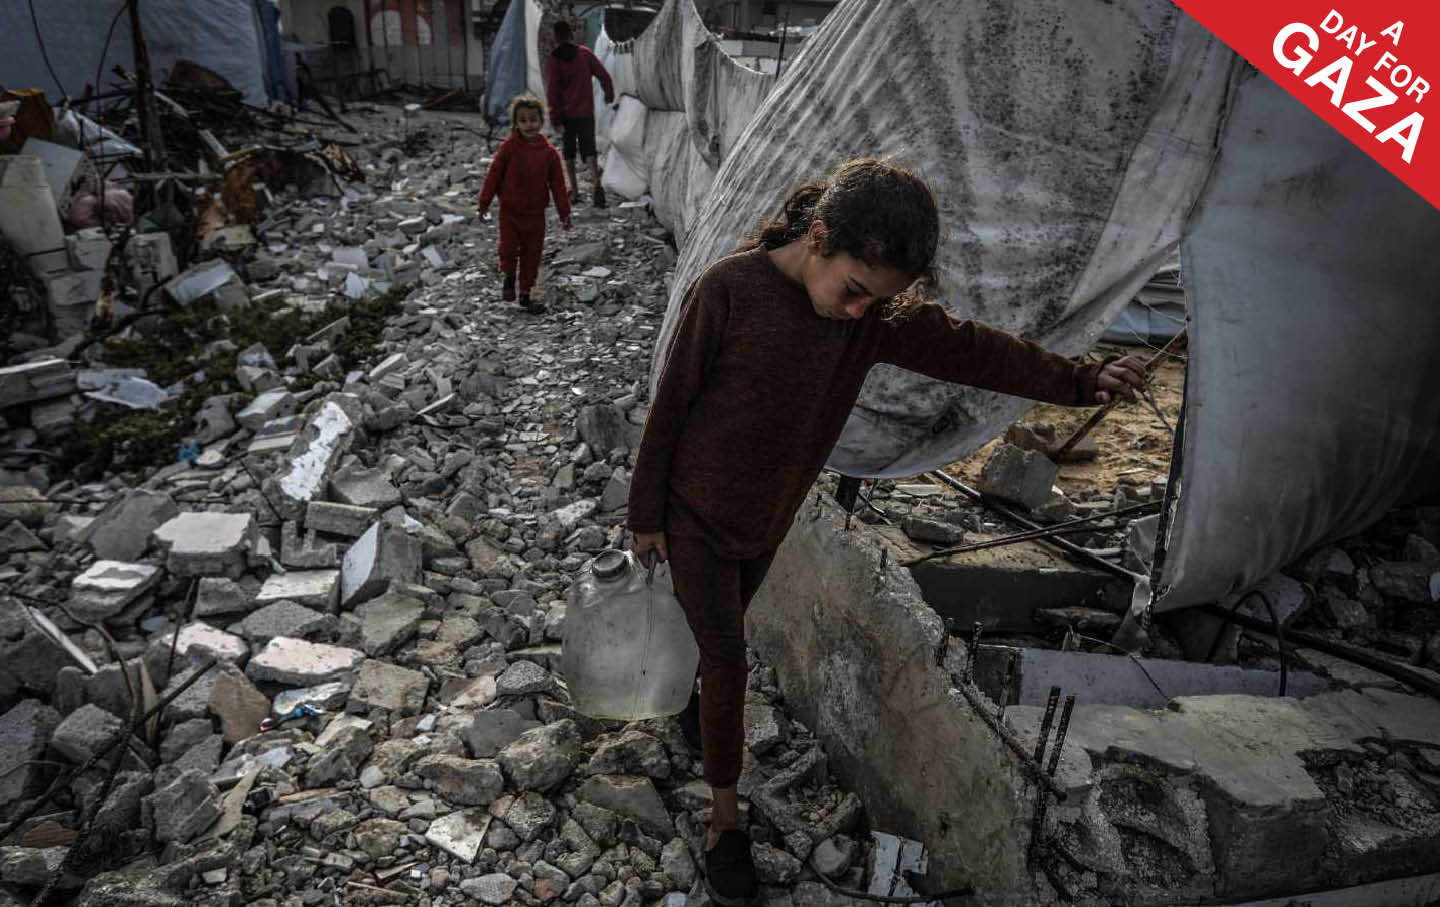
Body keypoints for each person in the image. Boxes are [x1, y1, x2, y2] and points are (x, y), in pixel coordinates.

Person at [625, 158, 1146, 905]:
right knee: (730, 656)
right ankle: (725, 816)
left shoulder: (867, 324)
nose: (859, 311)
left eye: (878, 301)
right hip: (694, 514)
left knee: (720, 634)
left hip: (766, 518)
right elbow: (669, 406)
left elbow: (975, 349)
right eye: (855, 290)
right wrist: (645, 515)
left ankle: (691, 701)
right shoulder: (729, 291)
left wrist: (1078, 381)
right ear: (817, 238)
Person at [478, 94, 573, 312]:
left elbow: (557, 186)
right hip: (510, 212)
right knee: (508, 249)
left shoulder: (549, 154)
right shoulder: (509, 148)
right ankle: (510, 277)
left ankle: (525, 293)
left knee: (532, 255)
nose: (528, 125)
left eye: (533, 119)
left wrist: (564, 213)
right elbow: (494, 175)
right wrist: (484, 203)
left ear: (541, 121)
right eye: (523, 120)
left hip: (535, 214)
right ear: (516, 123)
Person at [544, 20, 615, 208]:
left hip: (566, 115)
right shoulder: (585, 54)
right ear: (571, 35)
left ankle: (574, 192)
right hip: (585, 112)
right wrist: (609, 94)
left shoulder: (554, 60)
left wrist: (554, 118)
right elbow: (604, 75)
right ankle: (595, 183)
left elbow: (552, 91)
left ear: (556, 37)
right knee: (589, 150)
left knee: (569, 153)